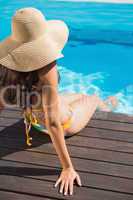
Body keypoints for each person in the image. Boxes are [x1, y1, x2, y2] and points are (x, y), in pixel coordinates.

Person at [0, 7, 117, 196]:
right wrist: (67, 168)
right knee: (92, 98)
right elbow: (54, 123)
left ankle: (92, 101)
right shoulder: (47, 69)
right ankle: (106, 103)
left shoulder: (4, 66)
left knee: (73, 95)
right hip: (64, 124)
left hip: (32, 120)